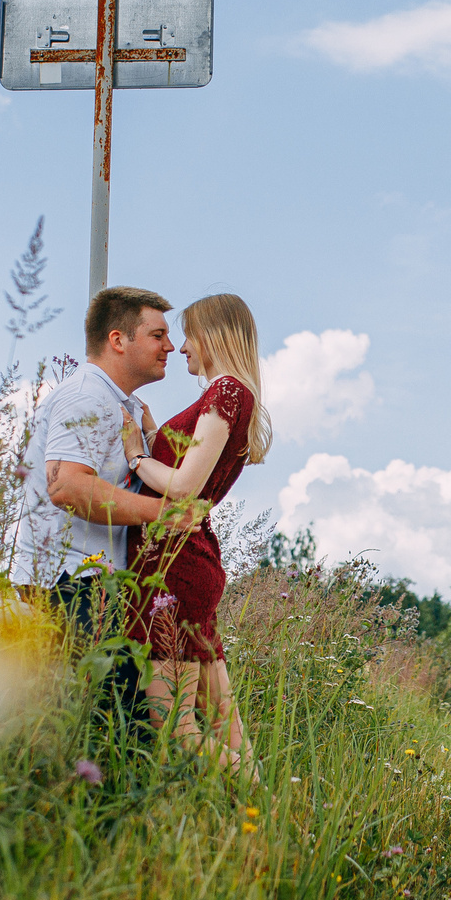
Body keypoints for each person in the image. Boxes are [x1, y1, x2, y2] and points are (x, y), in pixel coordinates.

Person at [16, 285, 200, 732]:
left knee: (121, 727)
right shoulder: (87, 397)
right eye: (157, 335)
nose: (171, 347)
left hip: (97, 584)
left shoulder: (124, 404)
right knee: (102, 728)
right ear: (119, 340)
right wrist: (161, 516)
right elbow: (67, 486)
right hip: (71, 584)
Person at [121, 292, 274, 771]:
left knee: (175, 731)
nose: (182, 347)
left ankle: (272, 817)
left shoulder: (225, 392)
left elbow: (184, 488)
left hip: (173, 569)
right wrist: (155, 435)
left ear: (213, 334)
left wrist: (136, 456)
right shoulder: (231, 396)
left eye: (188, 334)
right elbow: (192, 472)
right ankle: (272, 822)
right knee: (224, 722)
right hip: (191, 560)